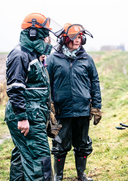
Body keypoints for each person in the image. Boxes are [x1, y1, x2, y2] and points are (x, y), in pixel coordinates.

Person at [5, 13, 64, 181]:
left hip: (34, 114)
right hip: (27, 116)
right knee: (40, 160)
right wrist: (22, 118)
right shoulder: (20, 54)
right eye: (44, 33)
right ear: (33, 32)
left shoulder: (33, 55)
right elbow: (15, 88)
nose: (47, 37)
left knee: (22, 158)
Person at [46, 23, 102, 181]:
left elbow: (95, 83)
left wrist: (96, 106)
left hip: (82, 109)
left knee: (82, 144)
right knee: (59, 146)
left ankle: (81, 174)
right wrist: (49, 106)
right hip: (61, 111)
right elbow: (47, 83)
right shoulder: (53, 58)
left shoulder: (86, 59)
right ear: (64, 39)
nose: (77, 40)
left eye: (79, 37)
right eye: (74, 37)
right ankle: (58, 176)